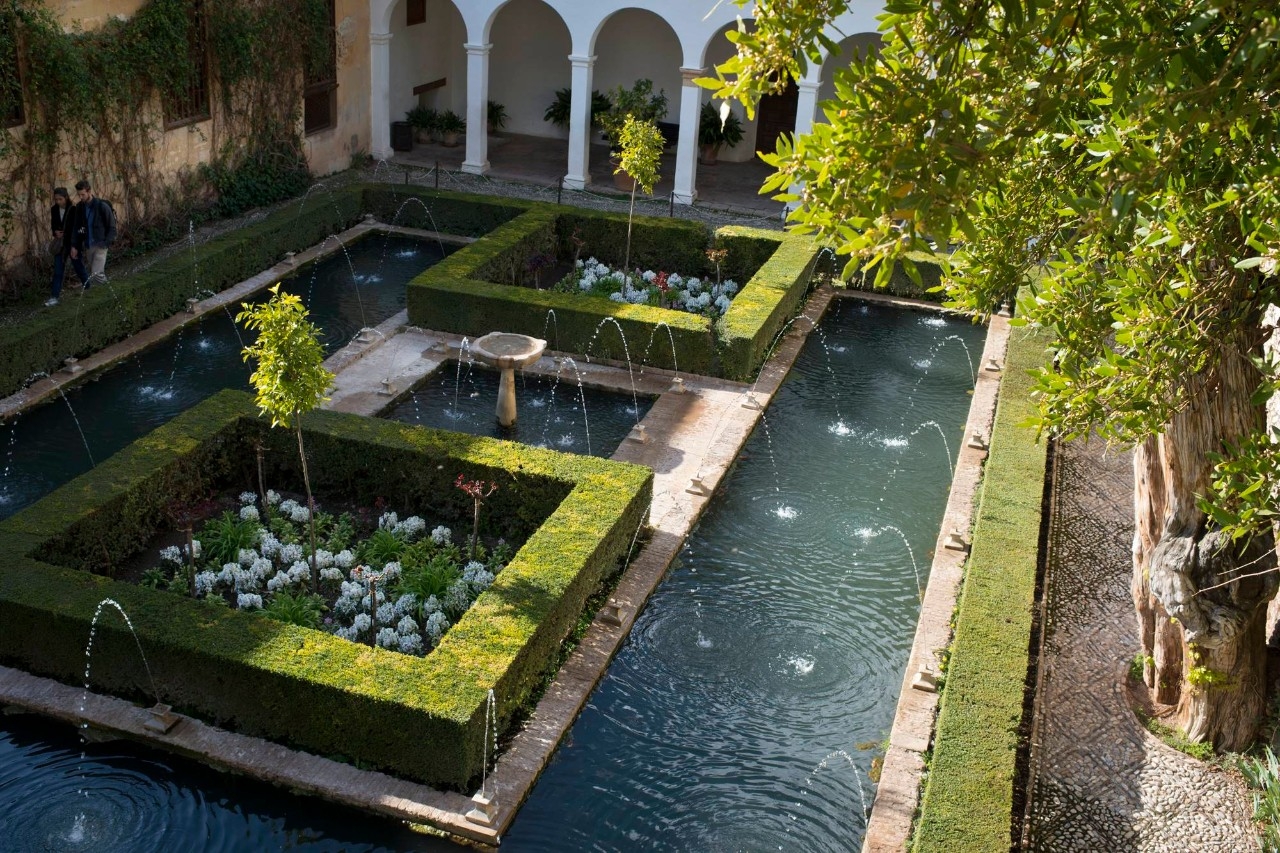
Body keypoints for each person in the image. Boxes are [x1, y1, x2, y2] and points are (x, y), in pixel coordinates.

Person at [68, 179, 117, 289]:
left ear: (89, 191)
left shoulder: (102, 206)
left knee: (96, 273)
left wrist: (106, 243)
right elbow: (76, 227)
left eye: (83, 194)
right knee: (96, 275)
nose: (81, 197)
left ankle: (110, 295)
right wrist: (74, 246)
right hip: (88, 246)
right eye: (79, 195)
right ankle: (105, 295)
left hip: (101, 244)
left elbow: (112, 227)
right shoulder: (79, 207)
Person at [46, 187, 88, 307]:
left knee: (78, 267)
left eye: (60, 199)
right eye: (56, 199)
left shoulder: (74, 209)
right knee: (58, 271)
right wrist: (55, 232)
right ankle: (54, 297)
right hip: (60, 245)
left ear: (66, 198)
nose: (58, 202)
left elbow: (78, 228)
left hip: (72, 244)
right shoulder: (54, 209)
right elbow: (53, 225)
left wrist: (75, 245)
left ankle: (89, 288)